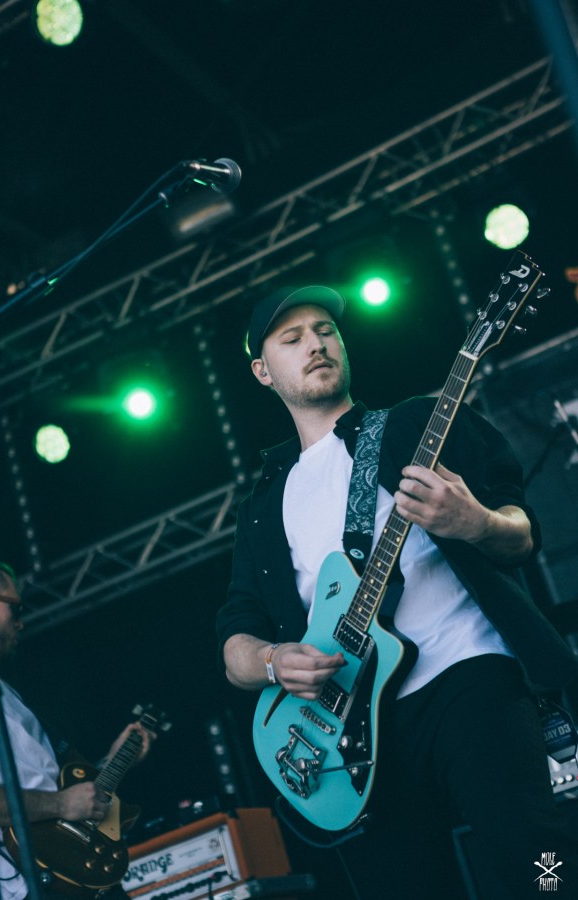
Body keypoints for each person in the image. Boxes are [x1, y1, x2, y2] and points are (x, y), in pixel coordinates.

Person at [216, 284, 578, 899]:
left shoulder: (415, 423)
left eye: (326, 330)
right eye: (293, 338)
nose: (316, 344)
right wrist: (274, 661)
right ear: (262, 372)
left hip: (469, 675)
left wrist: (476, 522)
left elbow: (521, 532)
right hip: (351, 731)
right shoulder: (263, 506)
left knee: (538, 862)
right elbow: (235, 643)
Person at [0, 559, 154, 900]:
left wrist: (112, 762)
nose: (20, 622)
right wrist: (60, 804)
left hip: (71, 872)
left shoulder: (4, 694)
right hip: (27, 885)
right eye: (15, 608)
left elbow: (47, 784)